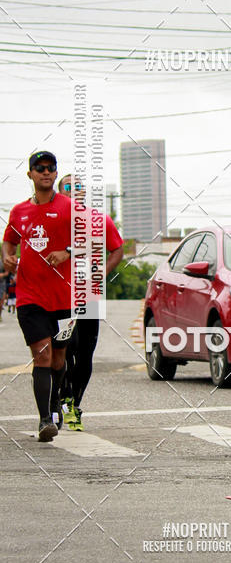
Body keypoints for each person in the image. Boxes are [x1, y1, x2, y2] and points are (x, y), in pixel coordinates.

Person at [2, 151, 75, 441]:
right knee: (42, 355)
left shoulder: (70, 208)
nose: (45, 172)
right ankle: (45, 419)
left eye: (50, 168)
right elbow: (9, 242)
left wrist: (67, 252)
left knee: (58, 358)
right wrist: (8, 257)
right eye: (39, 168)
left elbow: (92, 241)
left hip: (64, 298)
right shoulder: (19, 211)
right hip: (30, 296)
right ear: (30, 174)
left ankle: (56, 401)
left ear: (56, 173)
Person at [57, 174, 124, 431]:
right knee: (66, 348)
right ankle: (61, 396)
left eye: (79, 186)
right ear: (60, 192)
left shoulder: (98, 219)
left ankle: (74, 403)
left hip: (89, 294)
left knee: (85, 353)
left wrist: (103, 272)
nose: (74, 190)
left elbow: (117, 249)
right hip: (59, 296)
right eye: (68, 186)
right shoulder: (53, 220)